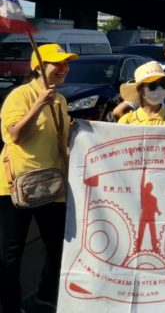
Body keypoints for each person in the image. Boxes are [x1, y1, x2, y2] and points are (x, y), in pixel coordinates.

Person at [0, 44, 77, 312]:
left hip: (53, 185)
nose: (64, 69)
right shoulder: (20, 95)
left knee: (57, 247)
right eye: (58, 63)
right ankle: (10, 305)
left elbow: (59, 139)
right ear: (38, 67)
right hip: (17, 185)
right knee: (11, 253)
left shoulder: (61, 99)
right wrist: (38, 104)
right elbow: (17, 136)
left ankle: (46, 296)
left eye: (66, 64)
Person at [118, 61, 165, 127]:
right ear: (141, 90)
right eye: (152, 85)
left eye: (163, 84)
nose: (159, 89)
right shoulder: (127, 121)